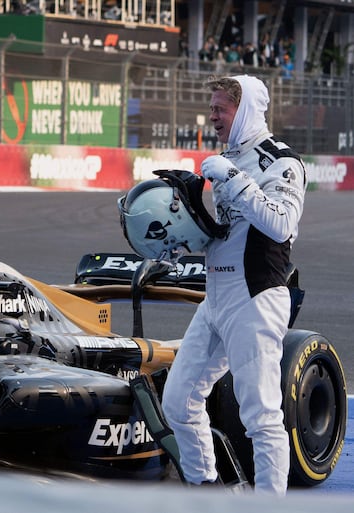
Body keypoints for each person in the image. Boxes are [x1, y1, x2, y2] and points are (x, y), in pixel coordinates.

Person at [160, 75, 307, 495]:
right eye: (212, 108)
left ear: (242, 111)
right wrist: (180, 237)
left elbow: (280, 225)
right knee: (178, 402)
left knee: (261, 415)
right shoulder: (229, 157)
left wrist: (235, 180)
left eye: (219, 109)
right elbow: (225, 233)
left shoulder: (282, 161)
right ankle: (206, 488)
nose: (212, 117)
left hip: (256, 297)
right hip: (217, 298)